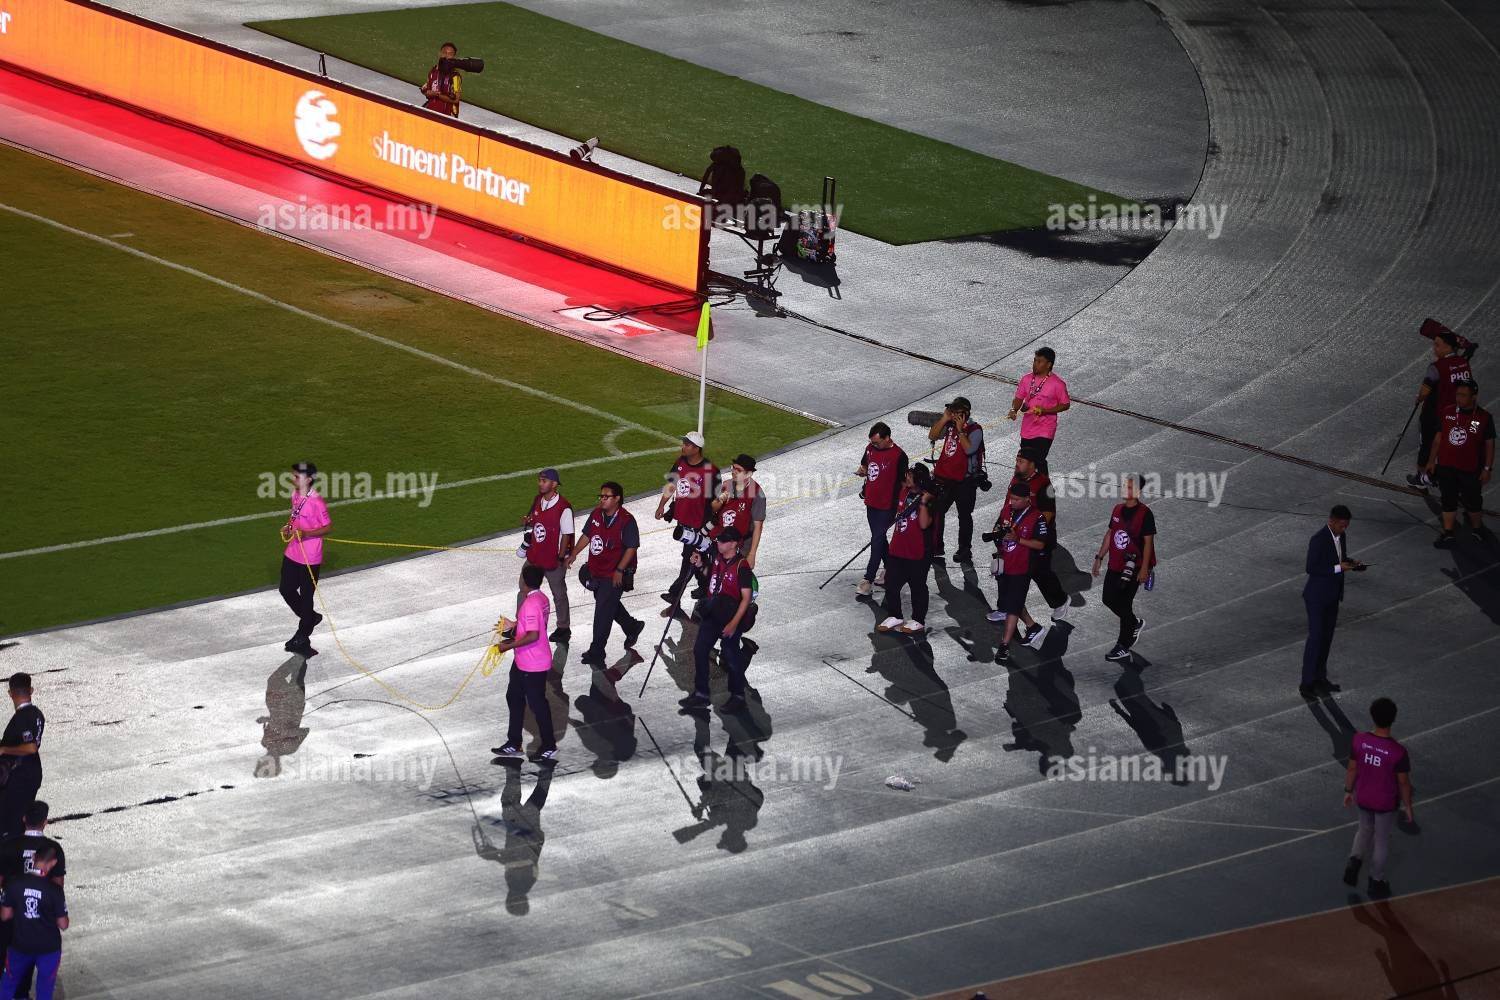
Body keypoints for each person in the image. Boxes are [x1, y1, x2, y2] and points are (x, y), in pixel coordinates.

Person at [1342, 697, 1414, 899]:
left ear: (1372, 716)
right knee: (1381, 840)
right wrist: (1408, 805)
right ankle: (1376, 880)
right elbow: (1403, 783)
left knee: (1364, 829)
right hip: (1384, 802)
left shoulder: (1359, 740)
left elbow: (1352, 768)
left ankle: (1354, 861)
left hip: (1364, 796)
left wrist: (1348, 791)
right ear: (1393, 719)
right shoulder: (1398, 752)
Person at [567, 482, 643, 667]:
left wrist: (619, 570)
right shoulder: (596, 514)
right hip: (597, 570)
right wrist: (574, 553)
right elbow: (587, 535)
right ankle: (632, 626)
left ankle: (597, 651)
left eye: (606, 497)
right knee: (607, 603)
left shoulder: (627, 520)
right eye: (601, 496)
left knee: (602, 612)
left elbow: (631, 547)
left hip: (613, 573)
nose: (602, 499)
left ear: (617, 499)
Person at [679, 527, 756, 713]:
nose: (719, 543)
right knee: (700, 649)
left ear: (734, 544)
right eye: (719, 540)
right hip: (714, 613)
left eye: (723, 541)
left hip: (730, 616)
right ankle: (701, 694)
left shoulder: (742, 567)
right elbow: (713, 579)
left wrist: (733, 624)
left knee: (730, 654)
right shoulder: (718, 559)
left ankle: (738, 696)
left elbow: (746, 598)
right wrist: (700, 565)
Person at [490, 565, 558, 764]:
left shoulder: (530, 603)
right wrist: (514, 625)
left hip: (532, 663)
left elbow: (533, 635)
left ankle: (549, 745)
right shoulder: (542, 598)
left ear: (524, 582)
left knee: (538, 704)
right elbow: (533, 625)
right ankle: (514, 743)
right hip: (524, 661)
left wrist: (507, 646)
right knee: (514, 696)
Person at [0, 803, 62, 1000]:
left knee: (11, 959)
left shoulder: (8, 845)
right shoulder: (53, 849)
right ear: (45, 822)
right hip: (41, 918)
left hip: (10, 910)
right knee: (42, 975)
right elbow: (58, 885)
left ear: (24, 819)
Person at [1300, 505, 1363, 698]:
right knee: (1316, 638)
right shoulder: (1318, 539)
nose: (1344, 529)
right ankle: (1306, 683)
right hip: (1317, 597)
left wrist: (1353, 564)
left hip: (1332, 596)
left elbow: (1339, 559)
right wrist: (1339, 568)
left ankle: (1320, 677)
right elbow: (1311, 567)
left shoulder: (1341, 536)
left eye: (1346, 526)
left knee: (1326, 638)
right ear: (1331, 521)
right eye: (1342, 525)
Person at [1092, 475, 1156, 662]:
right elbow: (1110, 533)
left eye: (1129, 487)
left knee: (1124, 603)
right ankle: (1133, 623)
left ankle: (1123, 645)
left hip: (1134, 566)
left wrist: (1144, 569)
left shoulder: (1145, 514)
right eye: (1124, 486)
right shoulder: (1117, 509)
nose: (1124, 489)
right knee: (1108, 598)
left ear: (1138, 492)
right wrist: (1099, 557)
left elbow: (1148, 543)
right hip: (1116, 563)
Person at [1424, 380, 1494, 547]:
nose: (1458, 398)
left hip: (1470, 469)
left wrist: (1487, 468)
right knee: (1448, 500)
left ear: (1474, 397)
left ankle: (1477, 529)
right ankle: (1448, 533)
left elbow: (1489, 444)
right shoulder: (1447, 412)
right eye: (1457, 394)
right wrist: (1431, 461)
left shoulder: (1483, 417)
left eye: (1463, 395)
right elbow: (1438, 438)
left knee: (1473, 501)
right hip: (1446, 467)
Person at [656, 432, 719, 616]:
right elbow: (671, 486)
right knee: (696, 557)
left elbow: (715, 502)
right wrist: (662, 505)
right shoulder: (680, 462)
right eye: (684, 443)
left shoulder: (710, 470)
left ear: (696, 448)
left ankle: (675, 594)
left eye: (687, 444)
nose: (683, 446)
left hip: (699, 524)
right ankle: (705, 587)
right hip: (683, 521)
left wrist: (708, 526)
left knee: (689, 558)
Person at [990, 481, 1049, 664]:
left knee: (1013, 606)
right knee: (1012, 600)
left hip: (1022, 568)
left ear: (1026, 499)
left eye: (1016, 499)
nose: (1012, 502)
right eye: (1011, 498)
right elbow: (998, 528)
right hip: (1005, 563)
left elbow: (1040, 544)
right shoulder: (1007, 511)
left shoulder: (1037, 517)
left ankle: (1004, 646)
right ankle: (1032, 626)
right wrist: (997, 536)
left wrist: (1018, 539)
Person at [1408, 329, 1474, 489]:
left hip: (1435, 414)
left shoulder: (1436, 367)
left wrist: (1419, 398)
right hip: (1458, 413)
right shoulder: (1463, 363)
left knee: (1426, 445)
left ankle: (1422, 478)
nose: (1434, 348)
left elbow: (1424, 392)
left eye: (1437, 345)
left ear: (1448, 347)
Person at [1010, 447, 1069, 624]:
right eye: (1017, 460)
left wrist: (1029, 530)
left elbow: (1048, 514)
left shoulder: (1044, 484)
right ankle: (1007, 607)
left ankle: (1060, 601)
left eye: (1021, 461)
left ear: (1031, 464)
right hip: (1016, 535)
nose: (1017, 464)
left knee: (1040, 573)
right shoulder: (1016, 479)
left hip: (1039, 538)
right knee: (1010, 574)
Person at [876, 463, 937, 636]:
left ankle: (918, 620)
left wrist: (923, 502)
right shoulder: (904, 492)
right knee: (891, 583)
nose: (907, 478)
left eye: (910, 475)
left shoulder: (929, 499)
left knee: (917, 586)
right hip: (898, 548)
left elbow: (924, 524)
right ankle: (895, 615)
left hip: (918, 551)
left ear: (919, 479)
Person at [279, 461, 331, 658]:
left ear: (308, 479)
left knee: (307, 596)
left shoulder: (317, 501)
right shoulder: (295, 495)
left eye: (296, 476)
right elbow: (295, 515)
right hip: (293, 551)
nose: (293, 479)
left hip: (310, 557)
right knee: (286, 589)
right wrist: (289, 527)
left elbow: (327, 527)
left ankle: (302, 637)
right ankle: (310, 618)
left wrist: (307, 534)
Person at [928, 397, 985, 564]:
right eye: (952, 411)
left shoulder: (975, 429)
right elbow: (932, 435)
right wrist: (944, 419)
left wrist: (960, 431)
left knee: (964, 516)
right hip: (945, 479)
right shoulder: (949, 424)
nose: (953, 415)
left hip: (964, 481)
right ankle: (937, 546)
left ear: (966, 413)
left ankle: (964, 550)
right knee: (937, 512)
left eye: (956, 412)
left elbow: (970, 450)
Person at [522, 469, 574, 642]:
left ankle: (563, 628)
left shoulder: (563, 507)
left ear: (554, 484)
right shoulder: (538, 500)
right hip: (535, 555)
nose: (540, 483)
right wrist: (528, 520)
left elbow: (566, 534)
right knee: (523, 588)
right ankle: (521, 623)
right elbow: (534, 520)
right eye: (539, 480)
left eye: (544, 481)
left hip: (552, 559)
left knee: (559, 594)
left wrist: (561, 557)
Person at [856, 422, 908, 596]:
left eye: (877, 442)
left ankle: (868, 579)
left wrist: (901, 505)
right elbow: (865, 465)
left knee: (877, 539)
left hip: (887, 505)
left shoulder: (899, 456)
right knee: (879, 538)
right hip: (871, 502)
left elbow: (904, 483)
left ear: (887, 438)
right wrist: (862, 471)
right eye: (872, 442)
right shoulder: (870, 448)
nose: (874, 445)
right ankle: (890, 569)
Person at [1007, 348, 1071, 473]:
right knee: (1026, 461)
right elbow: (1018, 398)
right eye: (1035, 360)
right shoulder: (1026, 379)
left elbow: (1065, 404)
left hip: (1045, 429)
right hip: (1027, 429)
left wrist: (1046, 410)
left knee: (1037, 460)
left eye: (1039, 361)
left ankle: (1043, 484)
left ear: (1048, 364)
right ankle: (1036, 484)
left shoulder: (1057, 384)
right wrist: (1013, 409)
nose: (1035, 364)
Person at [0, 676, 44, 841]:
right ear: (31, 690)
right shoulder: (37, 714)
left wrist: (4, 749)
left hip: (19, 778)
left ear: (10, 693)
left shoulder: (22, 717)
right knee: (18, 822)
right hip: (31, 774)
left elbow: (31, 747)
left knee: (10, 825)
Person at [711, 454, 766, 568]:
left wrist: (752, 554)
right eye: (733, 468)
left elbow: (758, 527)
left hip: (741, 545)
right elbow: (712, 509)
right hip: (721, 540)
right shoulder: (726, 485)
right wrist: (720, 500)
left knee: (735, 574)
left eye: (739, 470)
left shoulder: (757, 494)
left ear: (748, 474)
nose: (734, 472)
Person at [420, 42, 464, 117]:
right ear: (440, 54)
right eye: (444, 53)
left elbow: (456, 99)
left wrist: (437, 95)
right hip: (431, 111)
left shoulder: (455, 76)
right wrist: (426, 92)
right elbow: (425, 90)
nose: (446, 56)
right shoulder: (433, 71)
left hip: (447, 116)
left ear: (454, 57)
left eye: (450, 54)